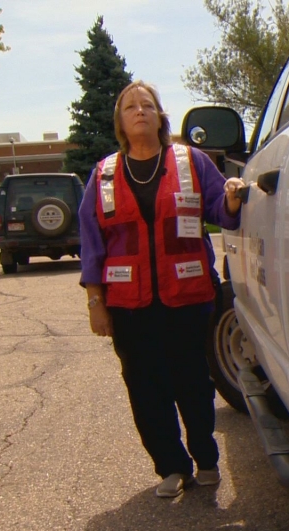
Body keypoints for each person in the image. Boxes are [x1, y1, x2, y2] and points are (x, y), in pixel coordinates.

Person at [78, 80, 246, 498]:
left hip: (188, 299)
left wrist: (230, 198)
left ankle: (206, 458)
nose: (139, 111)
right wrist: (96, 302)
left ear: (160, 115)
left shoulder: (192, 161)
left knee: (193, 382)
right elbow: (91, 242)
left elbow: (219, 214)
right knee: (146, 389)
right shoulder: (103, 174)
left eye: (147, 105)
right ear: (120, 120)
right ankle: (171, 467)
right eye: (131, 106)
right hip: (130, 307)